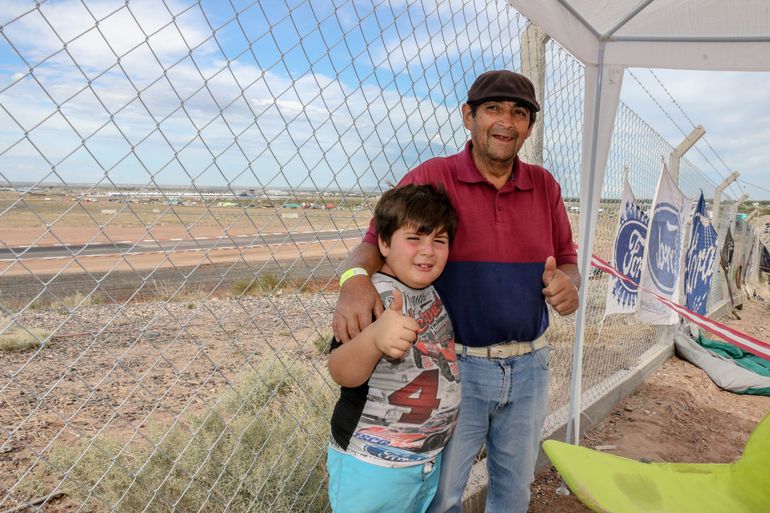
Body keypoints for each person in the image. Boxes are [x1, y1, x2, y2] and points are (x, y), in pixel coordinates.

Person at [332, 70, 580, 513]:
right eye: (493, 109)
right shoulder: (433, 175)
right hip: (457, 367)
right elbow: (376, 240)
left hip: (530, 366)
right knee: (444, 495)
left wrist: (569, 286)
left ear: (529, 126)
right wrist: (353, 282)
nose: (506, 121)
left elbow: (567, 260)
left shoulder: (545, 185)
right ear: (468, 116)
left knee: (514, 490)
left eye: (519, 113)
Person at [327, 184, 462, 513]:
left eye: (439, 241)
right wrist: (374, 339)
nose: (427, 251)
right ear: (384, 243)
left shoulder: (429, 290)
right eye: (414, 239)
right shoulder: (373, 297)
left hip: (421, 464)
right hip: (371, 467)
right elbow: (340, 369)